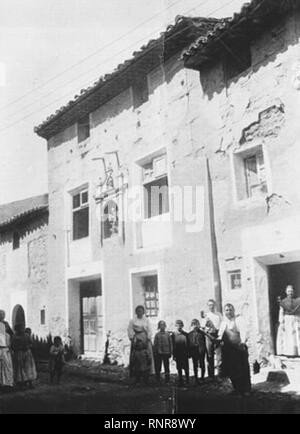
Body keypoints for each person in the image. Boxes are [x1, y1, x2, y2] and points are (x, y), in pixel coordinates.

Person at [217, 303, 251, 396]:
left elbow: (244, 332)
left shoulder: (238, 320)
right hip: (228, 351)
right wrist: (218, 341)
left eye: (230, 310)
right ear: (224, 312)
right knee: (232, 370)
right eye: (227, 310)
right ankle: (236, 388)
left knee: (243, 369)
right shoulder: (223, 323)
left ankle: (246, 389)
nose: (229, 312)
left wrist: (243, 342)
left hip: (239, 349)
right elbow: (220, 336)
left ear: (234, 311)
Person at [128, 305, 154, 386]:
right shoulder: (132, 321)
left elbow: (149, 330)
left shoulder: (146, 320)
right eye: (138, 311)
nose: (140, 312)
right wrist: (133, 338)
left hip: (145, 339)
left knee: (146, 358)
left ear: (143, 312)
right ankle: (137, 378)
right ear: (136, 312)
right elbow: (130, 330)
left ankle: (146, 378)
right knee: (136, 359)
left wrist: (148, 338)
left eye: (141, 311)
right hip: (136, 339)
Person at [11, 323, 37, 389]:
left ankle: (30, 382)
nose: (21, 330)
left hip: (27, 353)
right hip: (19, 353)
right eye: (19, 329)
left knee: (28, 368)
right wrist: (18, 348)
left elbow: (32, 343)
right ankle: (21, 383)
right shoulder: (14, 337)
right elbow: (12, 346)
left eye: (22, 328)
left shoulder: (27, 335)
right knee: (20, 368)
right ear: (16, 330)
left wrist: (28, 346)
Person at [276, 285, 300, 356]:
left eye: (291, 291)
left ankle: (297, 352)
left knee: (297, 336)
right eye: (289, 291)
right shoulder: (283, 302)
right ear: (286, 292)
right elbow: (281, 312)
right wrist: (281, 322)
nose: (290, 293)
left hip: (296, 319)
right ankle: (289, 352)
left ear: (294, 292)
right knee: (288, 336)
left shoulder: (297, 300)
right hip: (287, 320)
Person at [202, 299, 223, 378]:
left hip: (218, 335)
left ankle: (220, 374)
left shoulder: (219, 315)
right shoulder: (206, 316)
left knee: (219, 357)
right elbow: (203, 327)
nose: (211, 306)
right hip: (209, 336)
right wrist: (208, 329)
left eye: (213, 304)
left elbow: (222, 325)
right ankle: (211, 376)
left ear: (215, 305)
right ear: (208, 306)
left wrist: (220, 336)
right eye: (210, 305)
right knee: (210, 356)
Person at [188, 319, 206, 385]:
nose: (195, 326)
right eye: (193, 325)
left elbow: (205, 342)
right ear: (191, 326)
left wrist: (205, 350)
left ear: (198, 325)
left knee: (202, 364)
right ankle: (196, 378)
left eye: (196, 324)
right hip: (194, 351)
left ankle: (202, 377)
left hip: (201, 351)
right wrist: (189, 352)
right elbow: (188, 344)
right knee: (195, 364)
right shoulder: (189, 334)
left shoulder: (202, 333)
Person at [172, 320, 189, 386]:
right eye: (177, 326)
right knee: (179, 368)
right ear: (175, 326)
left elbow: (188, 344)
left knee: (186, 367)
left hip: (184, 353)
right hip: (178, 353)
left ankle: (187, 380)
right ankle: (180, 380)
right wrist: (173, 354)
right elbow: (173, 345)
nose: (179, 327)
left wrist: (188, 352)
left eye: (180, 325)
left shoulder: (186, 334)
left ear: (182, 326)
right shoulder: (173, 335)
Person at [0, 311, 14, 390]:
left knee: (6, 366)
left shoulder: (5, 324)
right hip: (2, 348)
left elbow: (11, 334)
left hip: (5, 349)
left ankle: (7, 383)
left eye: (2, 315)